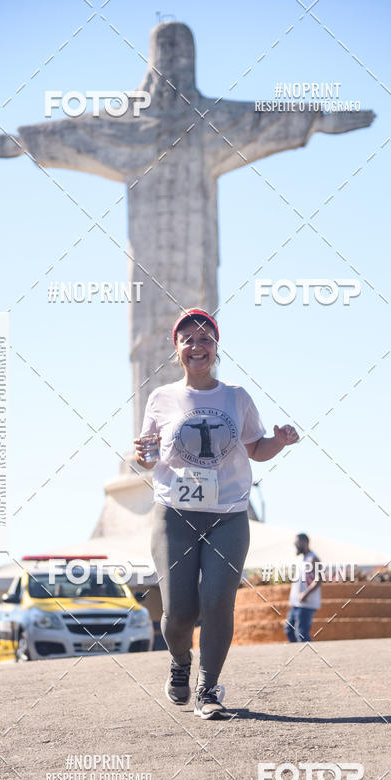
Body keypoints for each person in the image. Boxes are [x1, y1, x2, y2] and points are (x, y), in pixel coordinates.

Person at [133, 307, 299, 719]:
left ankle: (207, 690)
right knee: (179, 612)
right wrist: (139, 455)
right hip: (175, 514)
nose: (197, 345)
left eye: (205, 338)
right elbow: (149, 457)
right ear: (177, 349)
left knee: (219, 601)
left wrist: (277, 442)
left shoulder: (236, 397)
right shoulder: (161, 398)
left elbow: (255, 449)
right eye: (188, 339)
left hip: (228, 515)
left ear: (216, 348)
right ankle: (179, 662)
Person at [285, 534, 322, 643]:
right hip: (296, 603)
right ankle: (299, 656)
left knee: (301, 634)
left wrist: (305, 594)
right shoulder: (302, 559)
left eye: (297, 542)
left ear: (304, 542)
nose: (295, 545)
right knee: (289, 630)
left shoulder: (313, 558)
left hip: (306, 603)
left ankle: (307, 657)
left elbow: (319, 579)